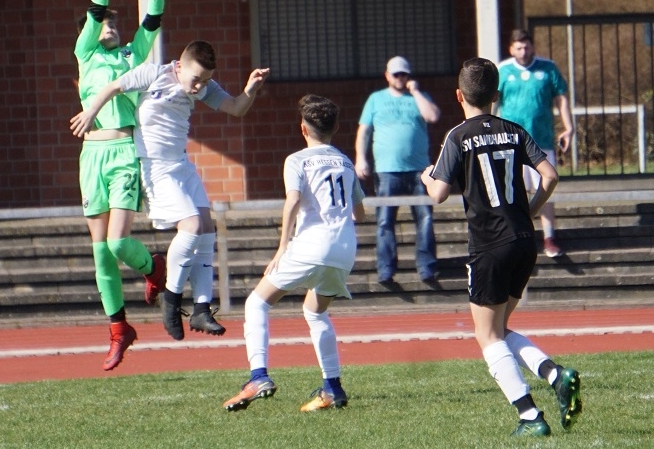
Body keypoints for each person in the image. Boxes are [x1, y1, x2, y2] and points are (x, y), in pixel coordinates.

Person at [421, 57, 582, 437]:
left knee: (487, 336)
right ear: (497, 95)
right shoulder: (514, 130)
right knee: (500, 328)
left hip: (489, 244)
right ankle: (555, 375)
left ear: (458, 95)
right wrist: (530, 211)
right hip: (524, 241)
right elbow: (550, 175)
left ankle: (530, 416)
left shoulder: (458, 136)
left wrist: (427, 177)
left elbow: (439, 194)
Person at [70, 40, 270, 341]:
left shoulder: (203, 86)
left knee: (206, 228)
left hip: (181, 165)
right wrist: (90, 113)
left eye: (205, 81)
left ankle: (201, 308)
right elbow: (113, 87)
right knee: (191, 226)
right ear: (179, 66)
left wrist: (251, 89)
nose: (199, 87)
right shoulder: (154, 74)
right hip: (155, 167)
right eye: (196, 79)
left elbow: (236, 108)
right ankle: (171, 300)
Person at [222, 94, 365, 413]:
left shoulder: (297, 160)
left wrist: (282, 246)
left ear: (303, 128)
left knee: (257, 302)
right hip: (345, 249)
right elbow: (360, 213)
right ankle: (333, 388)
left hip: (312, 244)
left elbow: (293, 200)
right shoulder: (345, 162)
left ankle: (258, 377)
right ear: (336, 127)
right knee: (315, 312)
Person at [72, 0, 167, 371]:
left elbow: (154, 18)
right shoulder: (86, 54)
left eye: (113, 21)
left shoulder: (132, 54)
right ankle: (118, 329)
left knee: (117, 242)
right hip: (91, 156)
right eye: (104, 21)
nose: (110, 24)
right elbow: (96, 4)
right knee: (100, 254)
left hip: (124, 153)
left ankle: (153, 267)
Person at [354, 56, 440, 285]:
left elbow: (433, 116)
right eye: (396, 74)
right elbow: (364, 131)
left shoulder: (419, 97)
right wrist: (361, 159)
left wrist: (416, 92)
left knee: (425, 218)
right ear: (387, 75)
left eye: (404, 74)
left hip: (419, 169)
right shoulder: (376, 99)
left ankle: (427, 267)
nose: (400, 78)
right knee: (384, 221)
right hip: (387, 170)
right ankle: (386, 269)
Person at [496, 29, 574, 258]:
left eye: (527, 47)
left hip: (541, 140)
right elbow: (492, 101)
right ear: (511, 49)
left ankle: (549, 237)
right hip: (511, 142)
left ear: (532, 47)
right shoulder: (503, 70)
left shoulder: (548, 68)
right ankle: (517, 237)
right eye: (518, 48)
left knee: (544, 189)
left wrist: (569, 127)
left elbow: (561, 98)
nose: (523, 51)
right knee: (514, 192)